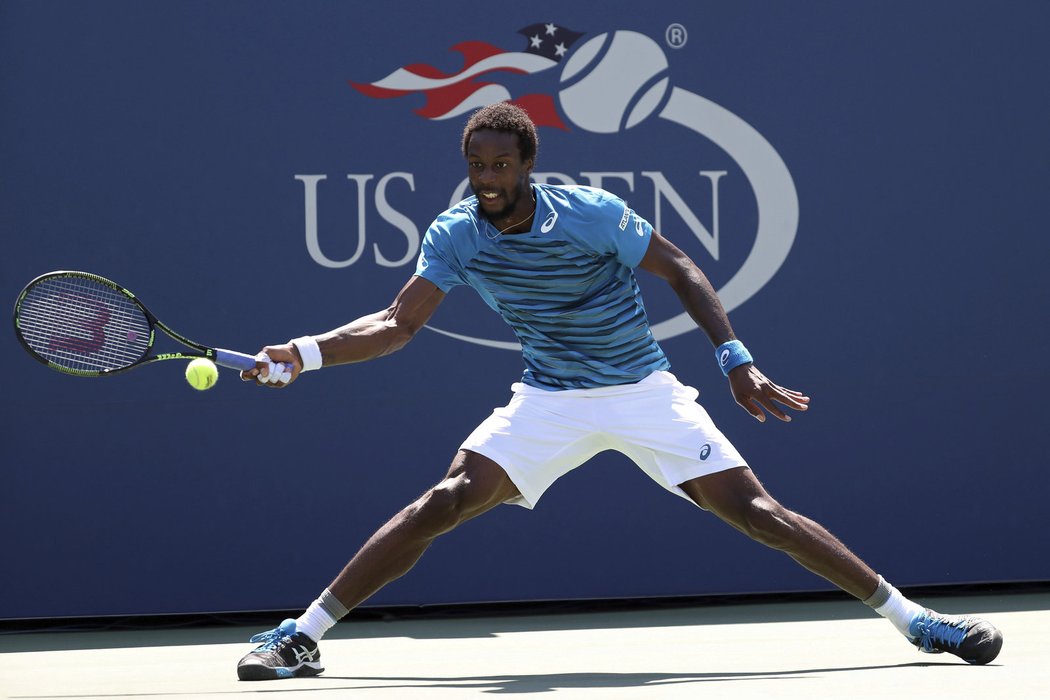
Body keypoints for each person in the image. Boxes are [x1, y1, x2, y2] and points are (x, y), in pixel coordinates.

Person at [235, 102, 1002, 681]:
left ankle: (918, 621)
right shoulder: (455, 232)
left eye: (501, 166)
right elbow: (398, 324)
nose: (488, 180)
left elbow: (684, 271)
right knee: (443, 501)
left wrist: (734, 357)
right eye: (477, 165)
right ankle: (301, 636)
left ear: (526, 163)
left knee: (761, 515)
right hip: (549, 399)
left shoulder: (592, 214)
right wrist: (303, 354)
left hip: (643, 389)